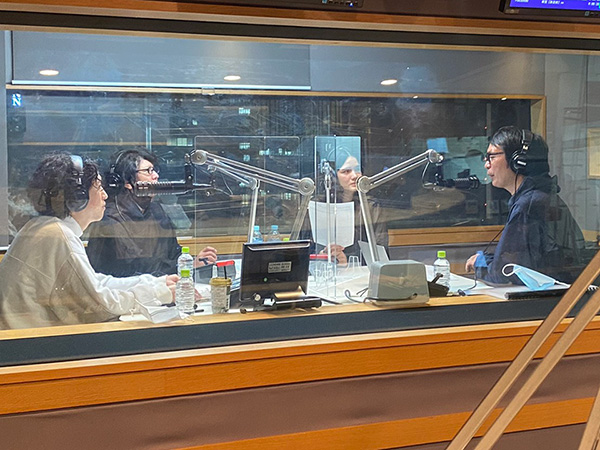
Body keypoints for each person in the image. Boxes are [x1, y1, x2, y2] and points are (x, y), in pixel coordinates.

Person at [0, 153, 179, 329]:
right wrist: (159, 293)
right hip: (26, 341)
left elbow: (94, 282)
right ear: (78, 197)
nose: (105, 195)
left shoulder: (42, 227)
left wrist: (153, 283)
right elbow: (100, 305)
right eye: (99, 188)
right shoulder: (58, 236)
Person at [465, 126, 586, 285]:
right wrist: (487, 259)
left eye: (492, 157)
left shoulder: (528, 205)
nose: (486, 165)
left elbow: (504, 271)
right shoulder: (542, 197)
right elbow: (522, 259)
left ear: (518, 161)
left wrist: (479, 263)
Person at [86, 148, 217, 277]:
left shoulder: (157, 211)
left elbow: (172, 256)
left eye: (154, 170)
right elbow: (123, 273)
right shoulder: (110, 220)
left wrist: (191, 263)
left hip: (162, 287)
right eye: (148, 171)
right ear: (127, 181)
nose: (156, 176)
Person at [320, 153, 388, 265]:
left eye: (357, 170)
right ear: (333, 176)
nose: (354, 175)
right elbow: (309, 247)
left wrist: (350, 263)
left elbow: (380, 251)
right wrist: (324, 256)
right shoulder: (321, 205)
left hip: (361, 270)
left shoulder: (371, 206)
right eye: (346, 171)